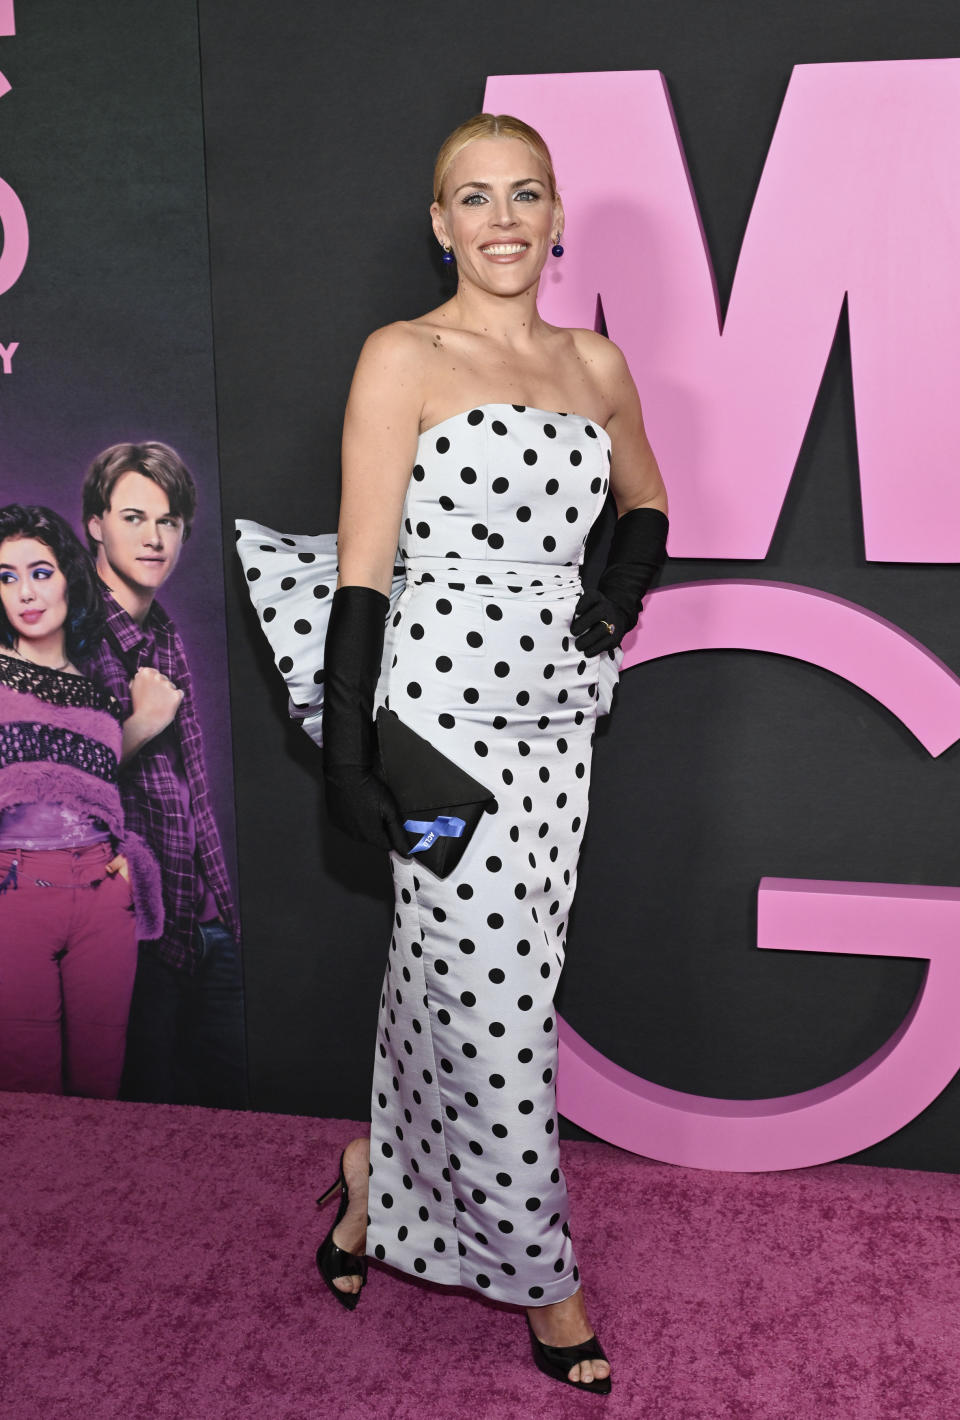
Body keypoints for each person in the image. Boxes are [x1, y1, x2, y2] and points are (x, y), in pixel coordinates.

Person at [312, 113, 669, 1395]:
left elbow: (647, 497)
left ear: (556, 212)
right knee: (493, 997)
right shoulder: (403, 355)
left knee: (463, 980)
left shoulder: (595, 363)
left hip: (562, 724)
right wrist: (348, 751)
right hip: (437, 727)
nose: (502, 218)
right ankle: (547, 1276)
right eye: (475, 197)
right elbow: (363, 563)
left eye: (525, 194)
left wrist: (615, 598)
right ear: (439, 222)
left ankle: (371, 1184)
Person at [80, 443, 247, 1108]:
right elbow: (45, 787)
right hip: (127, 935)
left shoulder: (165, 635)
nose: (154, 538)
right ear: (95, 523)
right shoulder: (69, 631)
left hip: (198, 927)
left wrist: (230, 922)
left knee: (235, 1123)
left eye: (170, 521)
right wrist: (140, 724)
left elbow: (194, 795)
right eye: (133, 517)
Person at [0, 504, 162, 1098]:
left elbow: (93, 791)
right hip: (13, 891)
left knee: (102, 1085)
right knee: (26, 1088)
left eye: (40, 571)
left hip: (102, 893)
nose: (26, 592)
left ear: (69, 575)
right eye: (6, 576)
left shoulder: (97, 693)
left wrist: (124, 862)